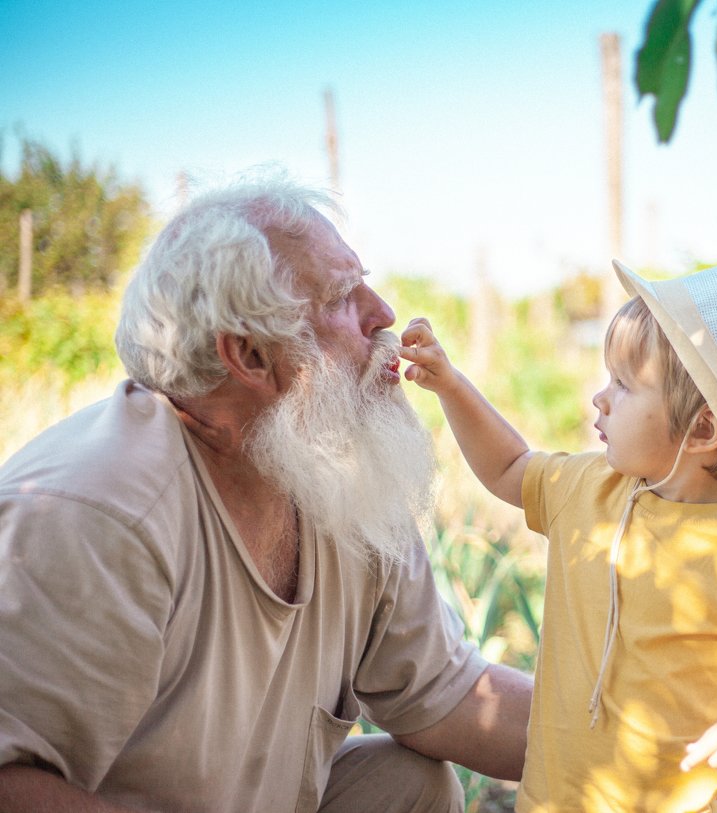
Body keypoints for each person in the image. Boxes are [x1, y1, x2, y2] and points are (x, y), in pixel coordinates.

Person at [0, 175, 532, 812]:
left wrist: (645, 745)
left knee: (406, 786)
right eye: (343, 296)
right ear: (249, 354)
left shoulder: (332, 471)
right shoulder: (101, 515)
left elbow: (448, 693)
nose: (384, 315)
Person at [399, 259, 717, 813]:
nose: (600, 399)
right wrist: (451, 387)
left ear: (702, 429)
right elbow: (509, 467)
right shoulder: (588, 488)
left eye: (623, 385)